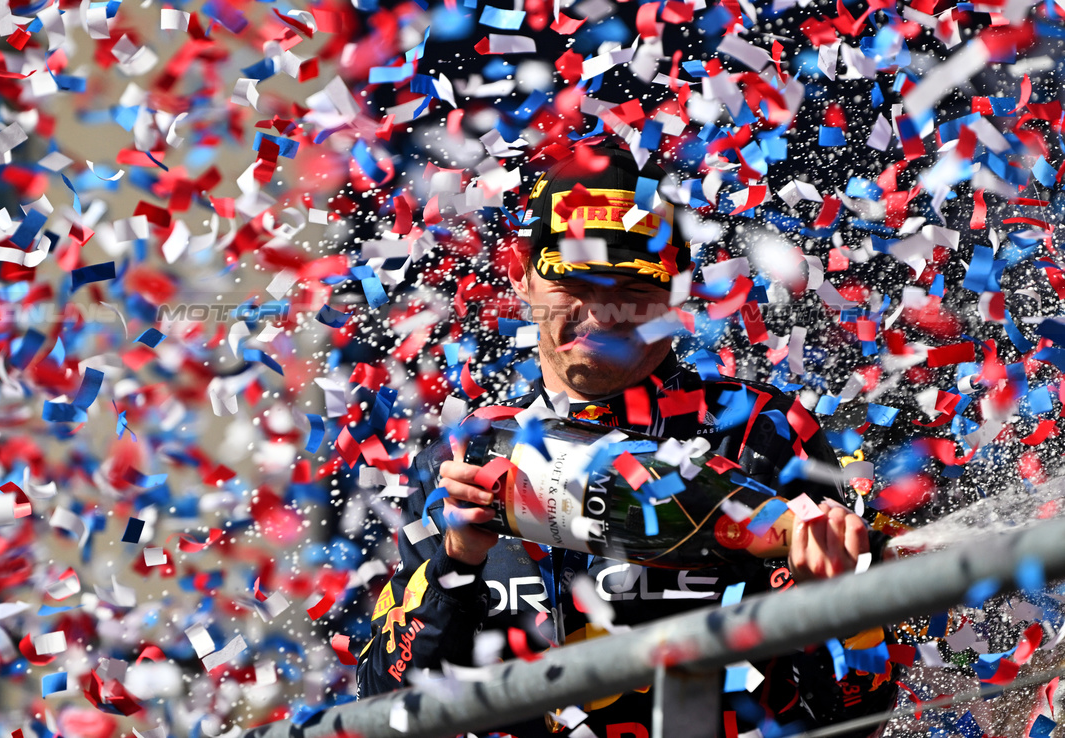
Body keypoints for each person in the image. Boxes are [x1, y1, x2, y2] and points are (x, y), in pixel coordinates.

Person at [356, 139, 897, 737]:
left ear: (676, 291)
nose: (603, 310)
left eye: (632, 286)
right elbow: (384, 705)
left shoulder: (761, 434)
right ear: (521, 275)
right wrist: (457, 567)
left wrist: (845, 611)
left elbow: (861, 718)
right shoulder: (462, 457)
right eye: (578, 280)